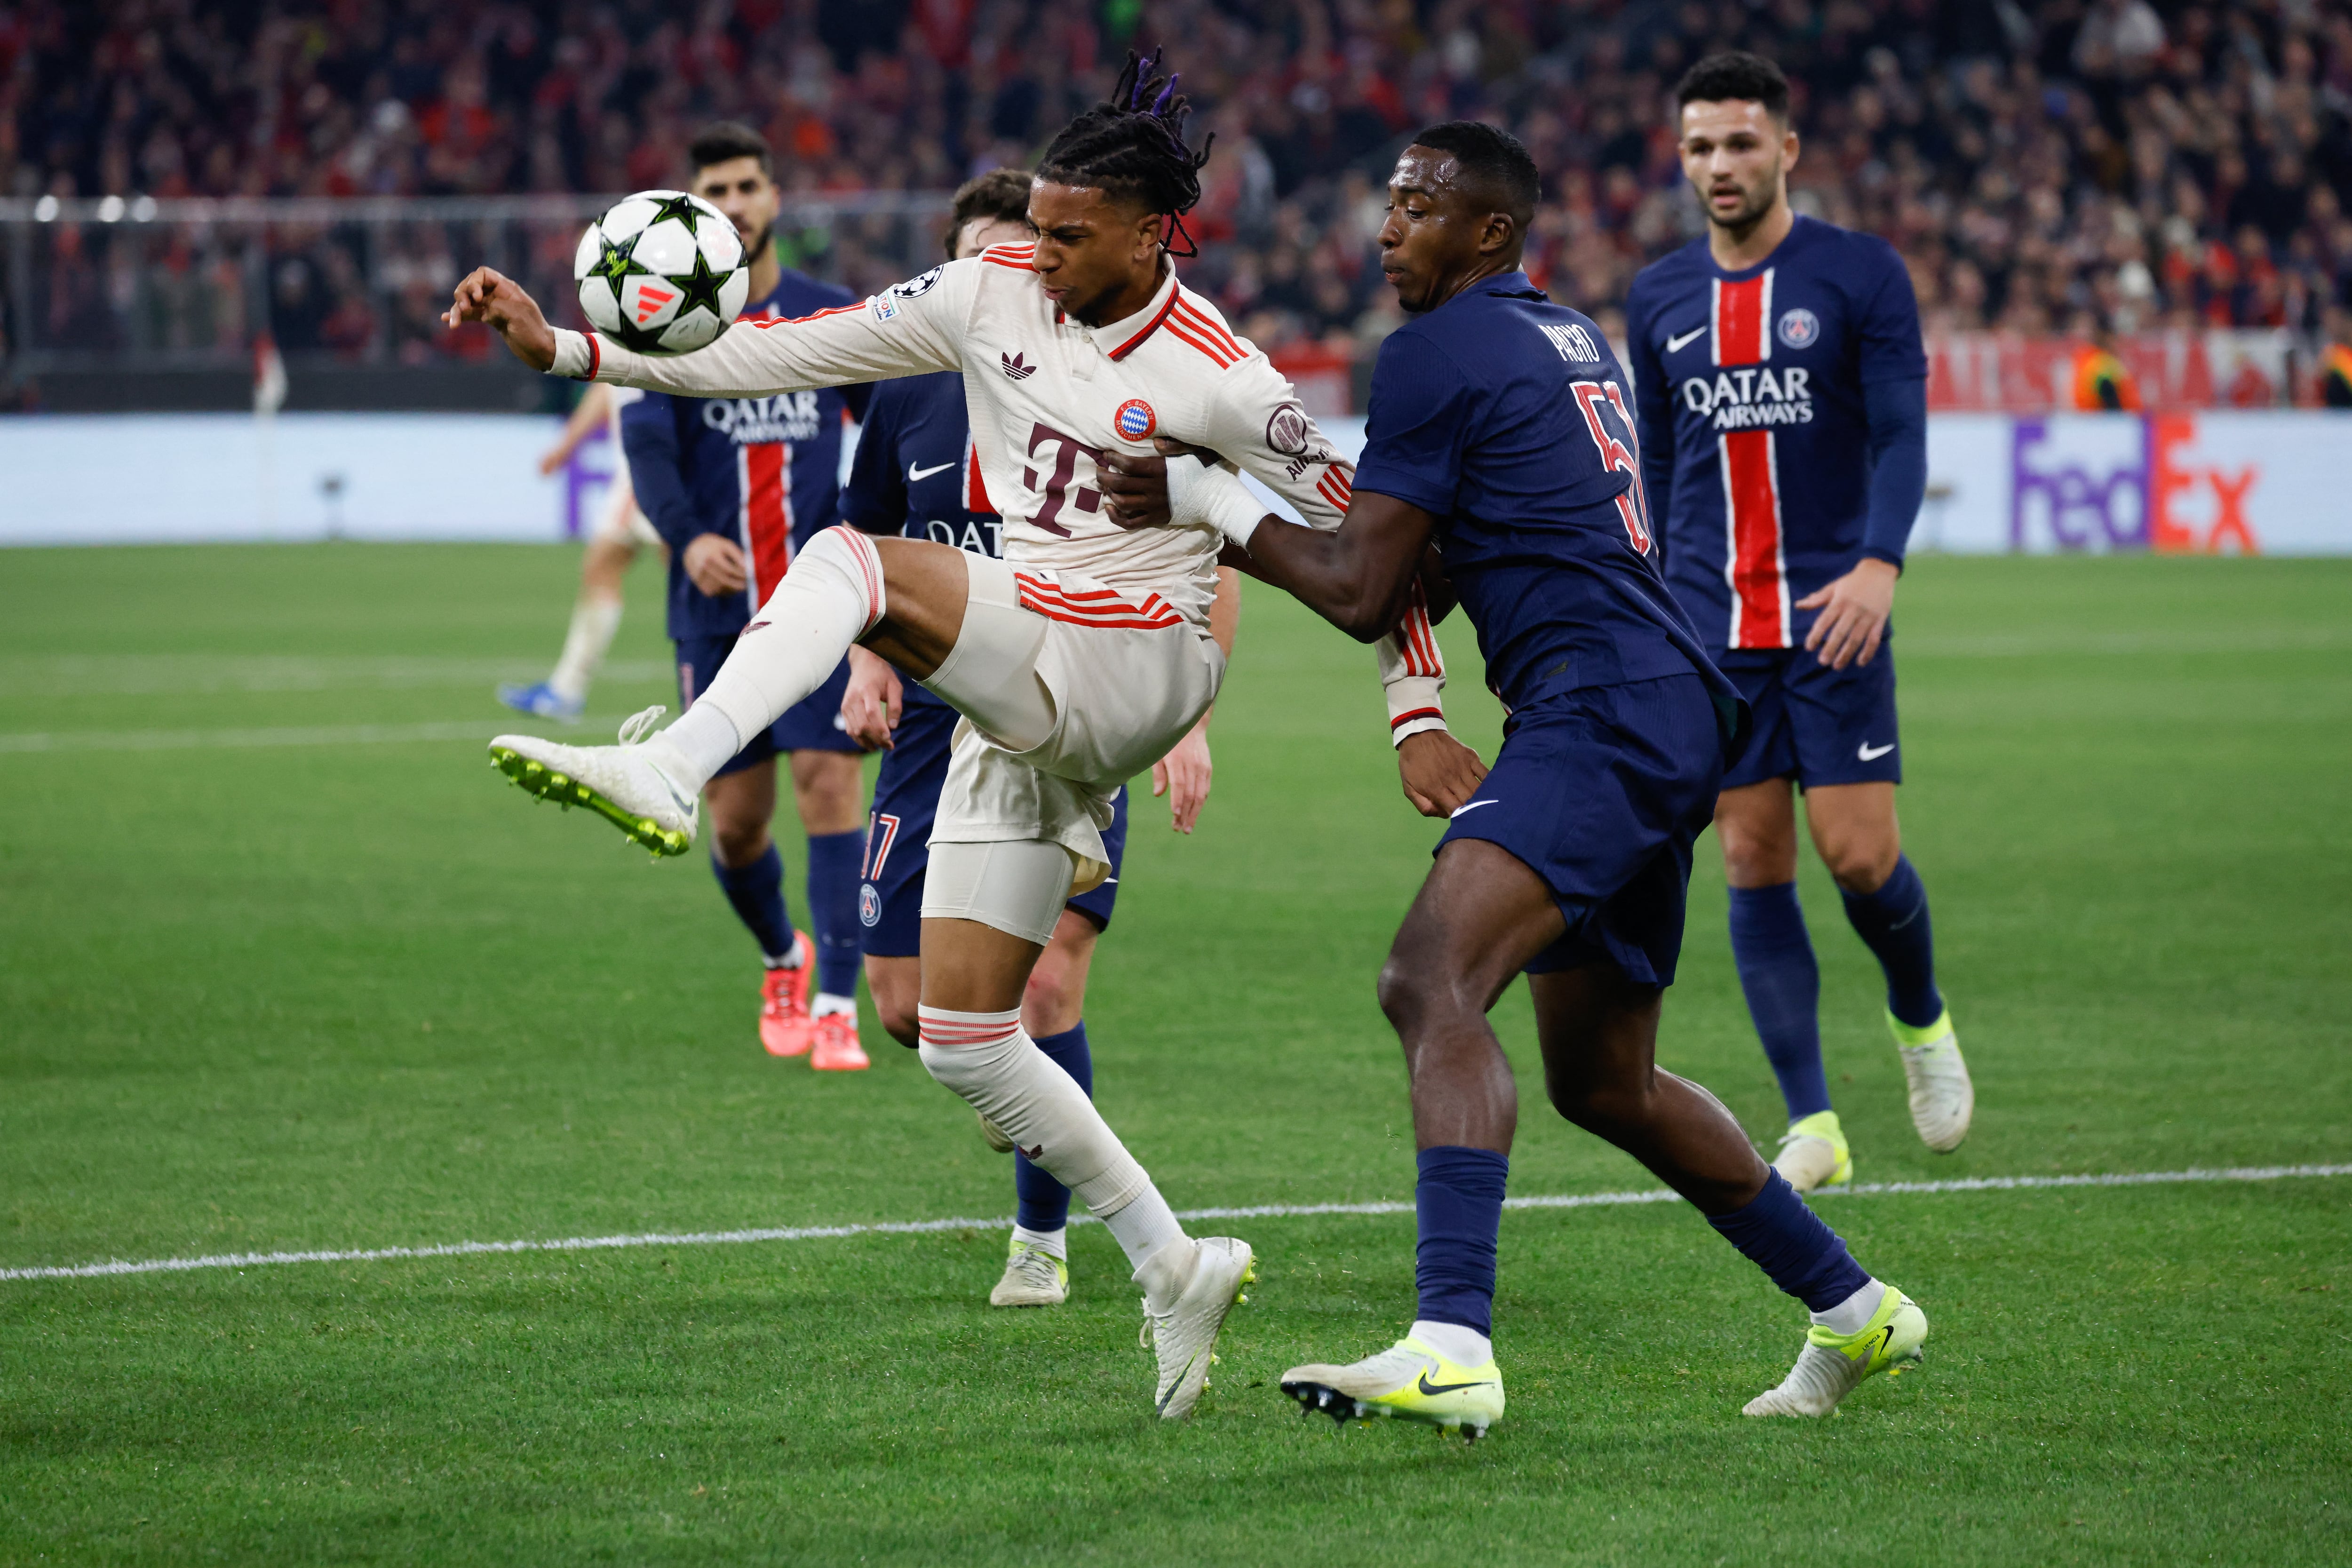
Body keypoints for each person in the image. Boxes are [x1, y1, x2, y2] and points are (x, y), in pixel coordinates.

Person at [450, 52, 1447, 1417]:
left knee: (859, 561)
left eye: (1070, 232)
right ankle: (1174, 1260)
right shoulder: (992, 293)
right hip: (1033, 671)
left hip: (1143, 658)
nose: (1038, 250)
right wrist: (568, 352)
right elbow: (777, 349)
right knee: (964, 1034)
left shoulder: (1224, 377)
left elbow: (1368, 545)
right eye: (1033, 224)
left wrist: (1418, 705)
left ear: (1155, 232)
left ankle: (670, 767)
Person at [1115, 121, 1930, 1437]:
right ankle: (1856, 1306)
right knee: (1605, 1080)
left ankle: (1453, 1341)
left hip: (1600, 712)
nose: (1388, 228)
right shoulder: (1561, 335)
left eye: (1418, 205)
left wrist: (1208, 496)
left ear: (1488, 230)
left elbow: (1364, 584)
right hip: (1664, 704)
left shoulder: (1434, 350)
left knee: (1426, 979)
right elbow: (1440, 558)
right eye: (1387, 202)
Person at [840, 168, 1238, 1310]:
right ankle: (1018, 1095)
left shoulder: (1112, 391)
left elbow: (1206, 553)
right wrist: (869, 660)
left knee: (1049, 988)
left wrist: (1189, 718)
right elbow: (868, 542)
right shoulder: (908, 399)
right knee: (912, 1009)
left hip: (1072, 720)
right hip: (928, 736)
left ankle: (1043, 1239)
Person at [1625, 53, 1973, 1195]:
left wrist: (1879, 564)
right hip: (1713, 627)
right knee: (1749, 853)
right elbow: (1663, 465)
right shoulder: (1659, 297)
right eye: (1698, 148)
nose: (1718, 166)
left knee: (1859, 855)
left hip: (1833, 615)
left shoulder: (1859, 274)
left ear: (1786, 149)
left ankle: (1919, 1021)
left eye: (1738, 143)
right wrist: (1661, 607)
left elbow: (1902, 435)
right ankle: (1813, 1120)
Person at [622, 121, 876, 1070]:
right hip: (718, 611)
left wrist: (855, 520)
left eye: (746, 188)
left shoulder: (826, 316)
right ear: (696, 211)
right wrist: (688, 540)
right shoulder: (668, 322)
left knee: (829, 785)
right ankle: (783, 953)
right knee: (733, 823)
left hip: (816, 604)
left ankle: (836, 1004)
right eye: (714, 193)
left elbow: (882, 430)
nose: (732, 206)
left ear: (774, 199)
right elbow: (647, 451)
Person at [497, 381, 667, 723]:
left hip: (654, 474)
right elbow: (606, 387)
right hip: (641, 474)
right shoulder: (634, 342)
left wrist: (566, 446)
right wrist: (566, 446)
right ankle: (567, 689)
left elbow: (609, 385)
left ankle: (744, 683)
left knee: (698, 585)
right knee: (603, 570)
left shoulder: (648, 339)